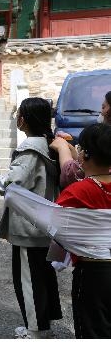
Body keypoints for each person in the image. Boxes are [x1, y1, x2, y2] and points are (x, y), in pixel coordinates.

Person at [0, 97, 62, 339]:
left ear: (23, 119)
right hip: (46, 222)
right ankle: (43, 325)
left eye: (18, 114)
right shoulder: (50, 144)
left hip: (29, 226)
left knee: (28, 280)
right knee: (43, 277)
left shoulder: (30, 149)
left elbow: (12, 183)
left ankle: (35, 330)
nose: (16, 118)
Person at [54, 123, 111, 338]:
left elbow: (55, 225)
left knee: (93, 330)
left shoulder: (78, 191)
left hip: (94, 272)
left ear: (85, 154)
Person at [50, 90, 111, 188]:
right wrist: (75, 154)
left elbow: (70, 174)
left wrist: (63, 148)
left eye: (103, 107)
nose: (101, 112)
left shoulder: (77, 194)